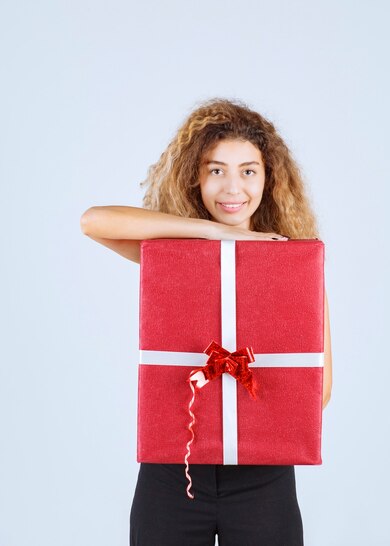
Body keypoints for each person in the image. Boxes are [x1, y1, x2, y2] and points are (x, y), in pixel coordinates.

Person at [80, 97, 333, 546]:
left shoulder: (297, 263)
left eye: (248, 171)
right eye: (216, 170)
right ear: (195, 177)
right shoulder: (171, 257)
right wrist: (217, 233)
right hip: (170, 475)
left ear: (268, 179)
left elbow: (320, 389)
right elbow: (94, 221)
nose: (232, 187)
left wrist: (243, 380)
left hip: (263, 478)